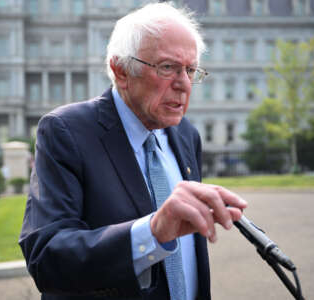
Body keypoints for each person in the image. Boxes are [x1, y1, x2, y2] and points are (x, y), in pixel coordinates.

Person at [19, 2, 247, 300]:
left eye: (190, 70)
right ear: (121, 70)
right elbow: (46, 257)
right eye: (167, 67)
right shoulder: (66, 131)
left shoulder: (186, 134)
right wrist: (152, 232)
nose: (183, 84)